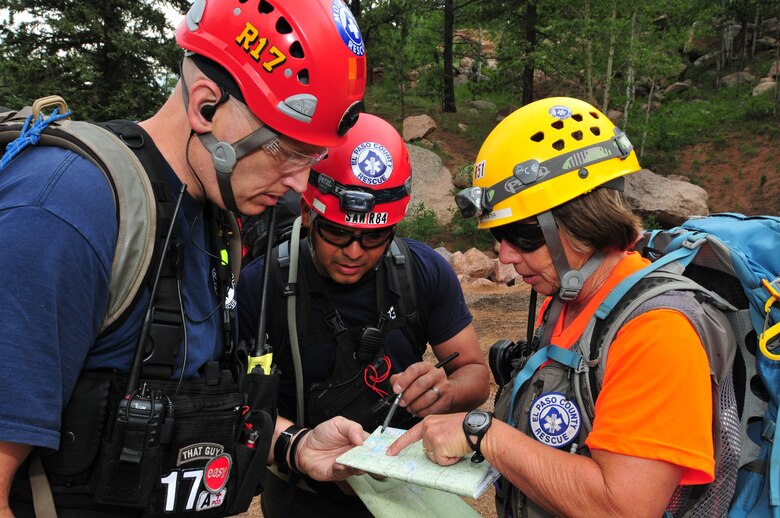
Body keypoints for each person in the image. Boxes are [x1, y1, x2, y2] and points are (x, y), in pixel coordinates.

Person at [0, 0, 371, 516]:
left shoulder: (210, 213)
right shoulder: (67, 209)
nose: (301, 186)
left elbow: (181, 404)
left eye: (314, 159)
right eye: (286, 151)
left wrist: (294, 445)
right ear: (205, 106)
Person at [388, 97, 732, 517]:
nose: (505, 256)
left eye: (521, 234)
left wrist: (485, 435)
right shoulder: (569, 300)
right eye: (498, 236)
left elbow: (624, 507)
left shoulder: (658, 331)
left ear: (583, 218)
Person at [236, 112, 490, 517]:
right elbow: (237, 406)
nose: (354, 251)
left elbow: (475, 375)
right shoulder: (261, 287)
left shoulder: (422, 272)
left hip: (403, 486)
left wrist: (444, 392)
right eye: (337, 231)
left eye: (373, 236)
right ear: (307, 214)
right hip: (304, 492)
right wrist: (297, 445)